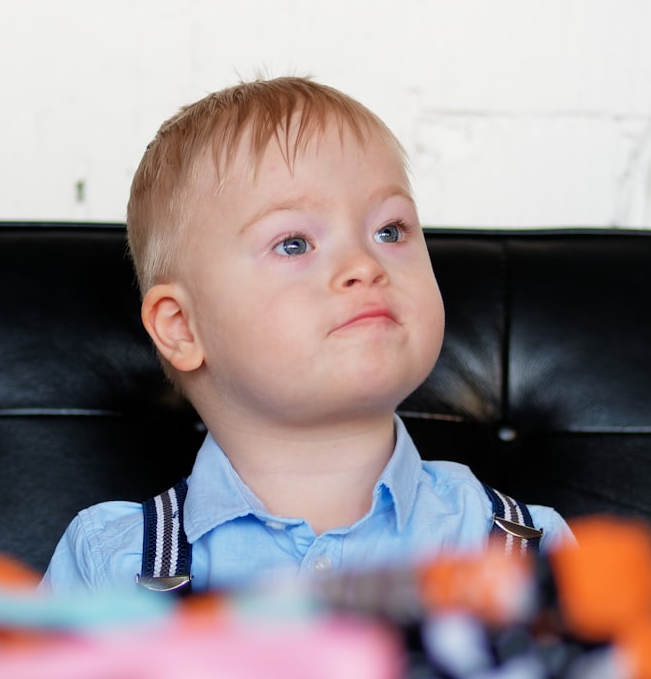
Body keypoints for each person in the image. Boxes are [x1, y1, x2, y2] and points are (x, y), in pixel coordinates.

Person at [41, 76, 572, 594]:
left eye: (389, 231)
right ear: (181, 327)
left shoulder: (530, 551)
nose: (364, 265)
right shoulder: (111, 565)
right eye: (294, 244)